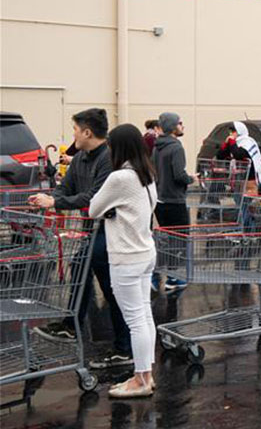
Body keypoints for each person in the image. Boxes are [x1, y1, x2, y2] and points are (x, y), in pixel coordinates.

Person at [29, 109, 131, 369]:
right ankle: (71, 325)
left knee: (110, 286)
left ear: (87, 132)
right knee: (80, 269)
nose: (72, 134)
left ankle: (125, 347)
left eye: (75, 129)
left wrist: (55, 201)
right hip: (90, 227)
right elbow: (67, 188)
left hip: (111, 228)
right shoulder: (80, 159)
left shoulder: (109, 159)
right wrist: (51, 199)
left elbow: (94, 197)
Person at [88, 124, 158, 398]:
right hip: (145, 252)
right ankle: (145, 375)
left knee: (135, 320)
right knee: (144, 315)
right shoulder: (147, 174)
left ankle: (141, 380)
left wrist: (110, 211)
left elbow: (94, 208)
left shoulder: (120, 177)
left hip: (126, 257)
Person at [152, 112, 197, 292]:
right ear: (172, 126)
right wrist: (191, 179)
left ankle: (156, 275)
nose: (182, 126)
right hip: (174, 200)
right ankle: (171, 277)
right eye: (180, 123)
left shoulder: (157, 147)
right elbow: (179, 175)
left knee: (165, 240)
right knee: (179, 241)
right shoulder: (176, 147)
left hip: (160, 200)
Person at [218, 121, 261, 195]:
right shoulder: (234, 143)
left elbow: (238, 154)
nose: (231, 134)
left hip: (251, 177)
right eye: (230, 131)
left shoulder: (247, 142)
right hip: (239, 178)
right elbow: (220, 156)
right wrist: (226, 144)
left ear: (240, 131)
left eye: (233, 131)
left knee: (253, 198)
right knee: (239, 200)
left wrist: (232, 142)